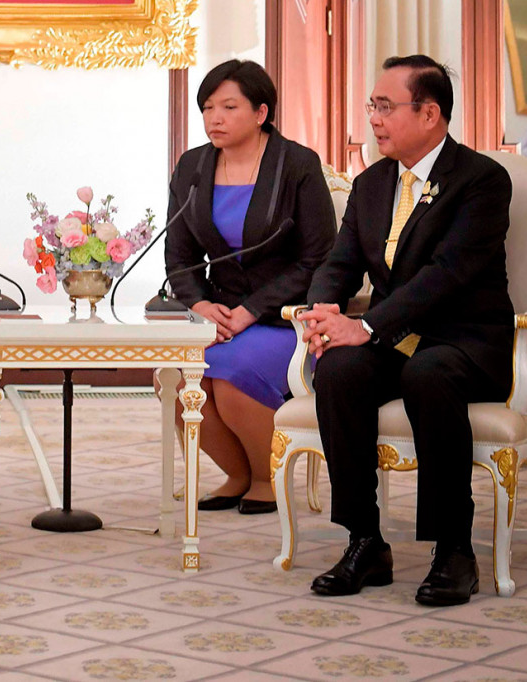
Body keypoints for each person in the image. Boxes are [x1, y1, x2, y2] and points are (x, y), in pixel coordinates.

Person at [300, 55, 513, 607]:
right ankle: (365, 542)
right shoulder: (372, 184)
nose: (373, 117)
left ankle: (454, 551)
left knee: (427, 374)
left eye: (386, 106)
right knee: (339, 371)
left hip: (463, 341)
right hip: (395, 338)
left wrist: (366, 323)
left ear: (430, 113)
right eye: (372, 105)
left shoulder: (482, 180)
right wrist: (322, 311)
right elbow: (340, 262)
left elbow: (449, 275)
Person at [162, 60, 336, 515]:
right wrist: (200, 304)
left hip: (284, 318)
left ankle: (265, 477)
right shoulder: (192, 167)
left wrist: (251, 311)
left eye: (228, 106)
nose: (213, 118)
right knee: (183, 384)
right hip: (218, 316)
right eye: (207, 107)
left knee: (232, 377)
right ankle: (237, 475)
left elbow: (317, 259)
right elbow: (178, 256)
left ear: (261, 113)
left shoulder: (296, 164)